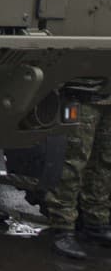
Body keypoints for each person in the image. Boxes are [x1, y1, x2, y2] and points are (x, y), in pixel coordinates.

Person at [45, 104, 111, 260]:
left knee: (103, 163)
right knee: (73, 161)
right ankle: (62, 227)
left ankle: (97, 222)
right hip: (83, 95)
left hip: (107, 94)